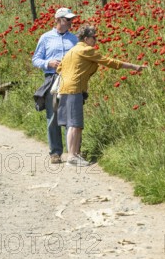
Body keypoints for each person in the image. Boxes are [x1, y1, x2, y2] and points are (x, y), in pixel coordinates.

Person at [56, 25, 146, 167]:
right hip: (74, 89)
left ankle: (74, 154)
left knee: (74, 124)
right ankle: (72, 157)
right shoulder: (85, 50)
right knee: (74, 124)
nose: (96, 40)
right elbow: (107, 61)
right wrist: (132, 66)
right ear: (86, 39)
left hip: (65, 88)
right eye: (94, 37)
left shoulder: (72, 51)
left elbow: (59, 68)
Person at [32, 8, 79, 164]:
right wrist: (48, 63)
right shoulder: (45, 38)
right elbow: (36, 59)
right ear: (58, 20)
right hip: (52, 78)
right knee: (53, 116)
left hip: (70, 79)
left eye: (71, 19)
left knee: (71, 115)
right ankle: (55, 152)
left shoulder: (75, 39)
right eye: (68, 19)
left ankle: (73, 152)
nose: (71, 22)